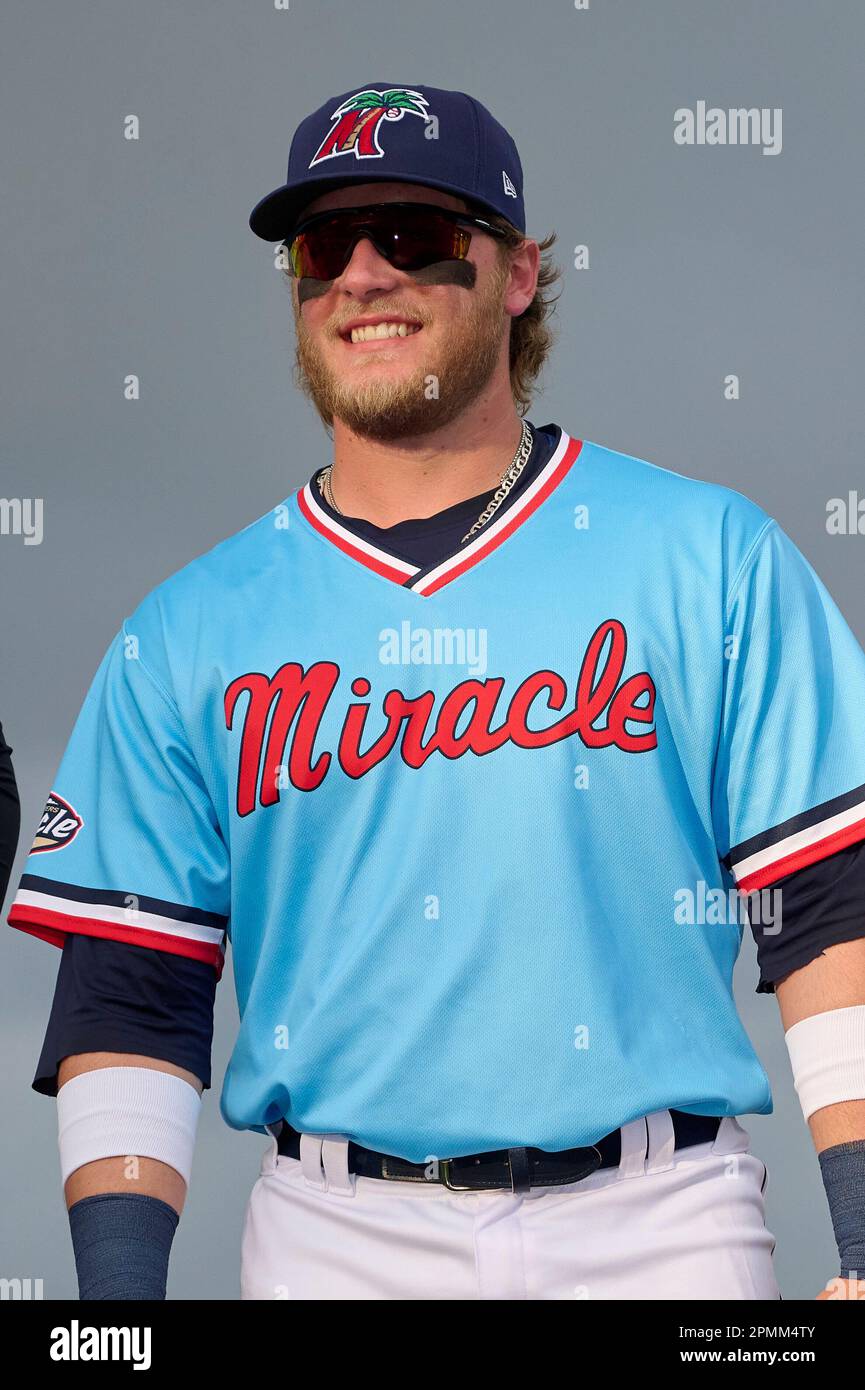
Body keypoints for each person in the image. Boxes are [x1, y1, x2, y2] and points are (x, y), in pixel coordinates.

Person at [8, 82, 865, 1300]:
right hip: (332, 1237)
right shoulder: (191, 628)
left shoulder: (706, 555)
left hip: (660, 1224)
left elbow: (829, 908)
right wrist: (116, 1319)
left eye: (411, 236)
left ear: (516, 273)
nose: (361, 275)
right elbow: (134, 994)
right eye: (322, 247)